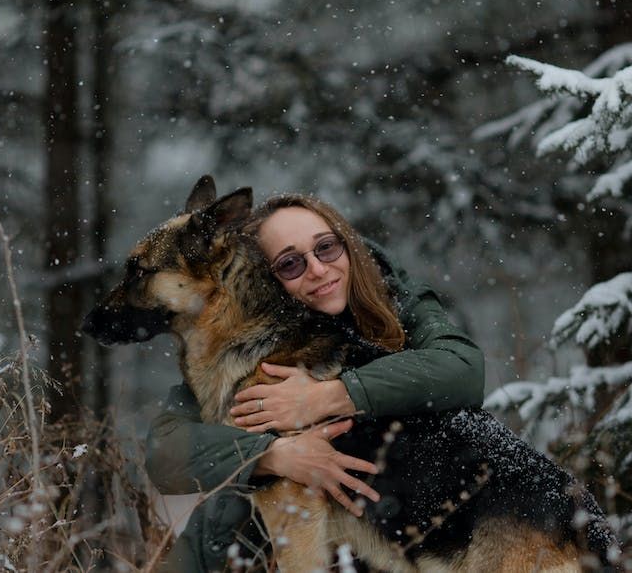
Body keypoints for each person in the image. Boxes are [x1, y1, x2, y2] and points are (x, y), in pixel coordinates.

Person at [144, 193, 485, 572]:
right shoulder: (242, 347)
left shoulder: (394, 294)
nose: (319, 270)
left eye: (326, 247)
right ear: (265, 279)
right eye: (290, 264)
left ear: (346, 243)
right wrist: (271, 455)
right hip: (234, 550)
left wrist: (331, 395)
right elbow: (164, 451)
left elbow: (462, 367)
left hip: (379, 535)